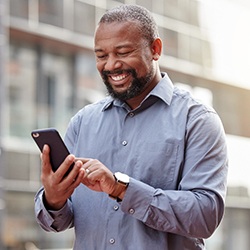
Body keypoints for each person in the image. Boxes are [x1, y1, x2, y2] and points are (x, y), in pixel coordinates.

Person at [34, 4, 228, 250]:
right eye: (101, 56)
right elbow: (56, 220)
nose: (111, 65)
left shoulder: (197, 121)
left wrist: (120, 188)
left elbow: (205, 216)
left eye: (123, 52)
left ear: (155, 49)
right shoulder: (83, 122)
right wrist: (53, 199)